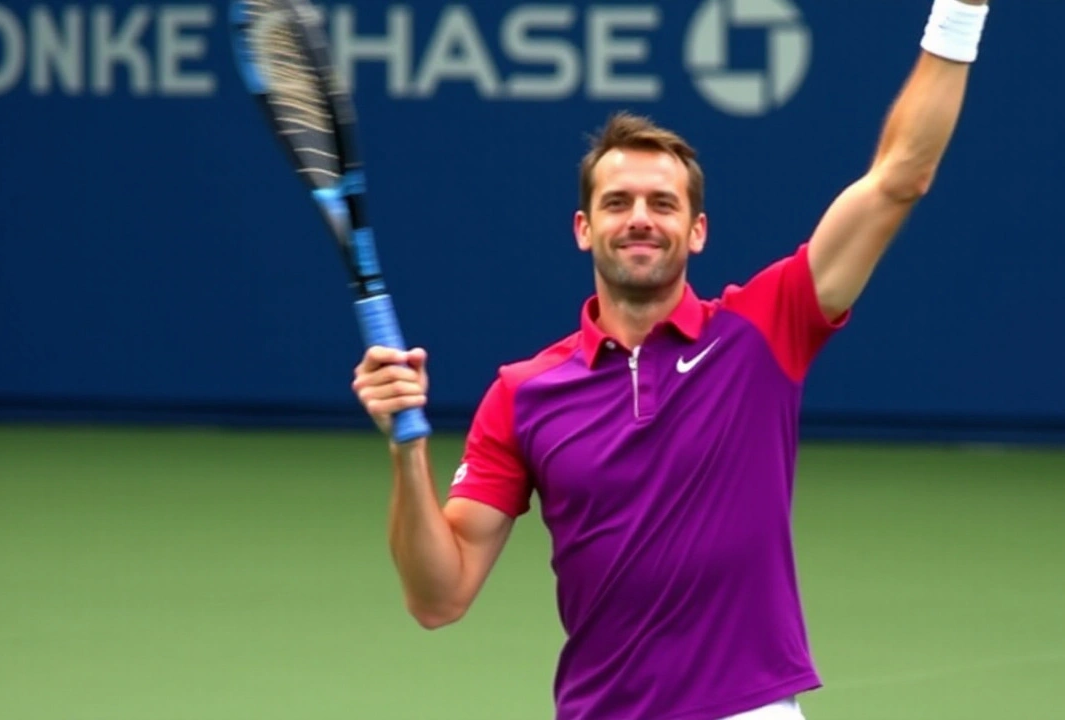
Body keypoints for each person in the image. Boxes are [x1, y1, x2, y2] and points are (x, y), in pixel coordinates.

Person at [351, 1, 991, 717]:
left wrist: (960, 10)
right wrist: (405, 449)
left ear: (697, 231)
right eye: (618, 202)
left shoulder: (763, 330)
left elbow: (900, 176)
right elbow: (438, 598)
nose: (640, 219)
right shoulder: (523, 395)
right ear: (584, 228)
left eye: (663, 203)